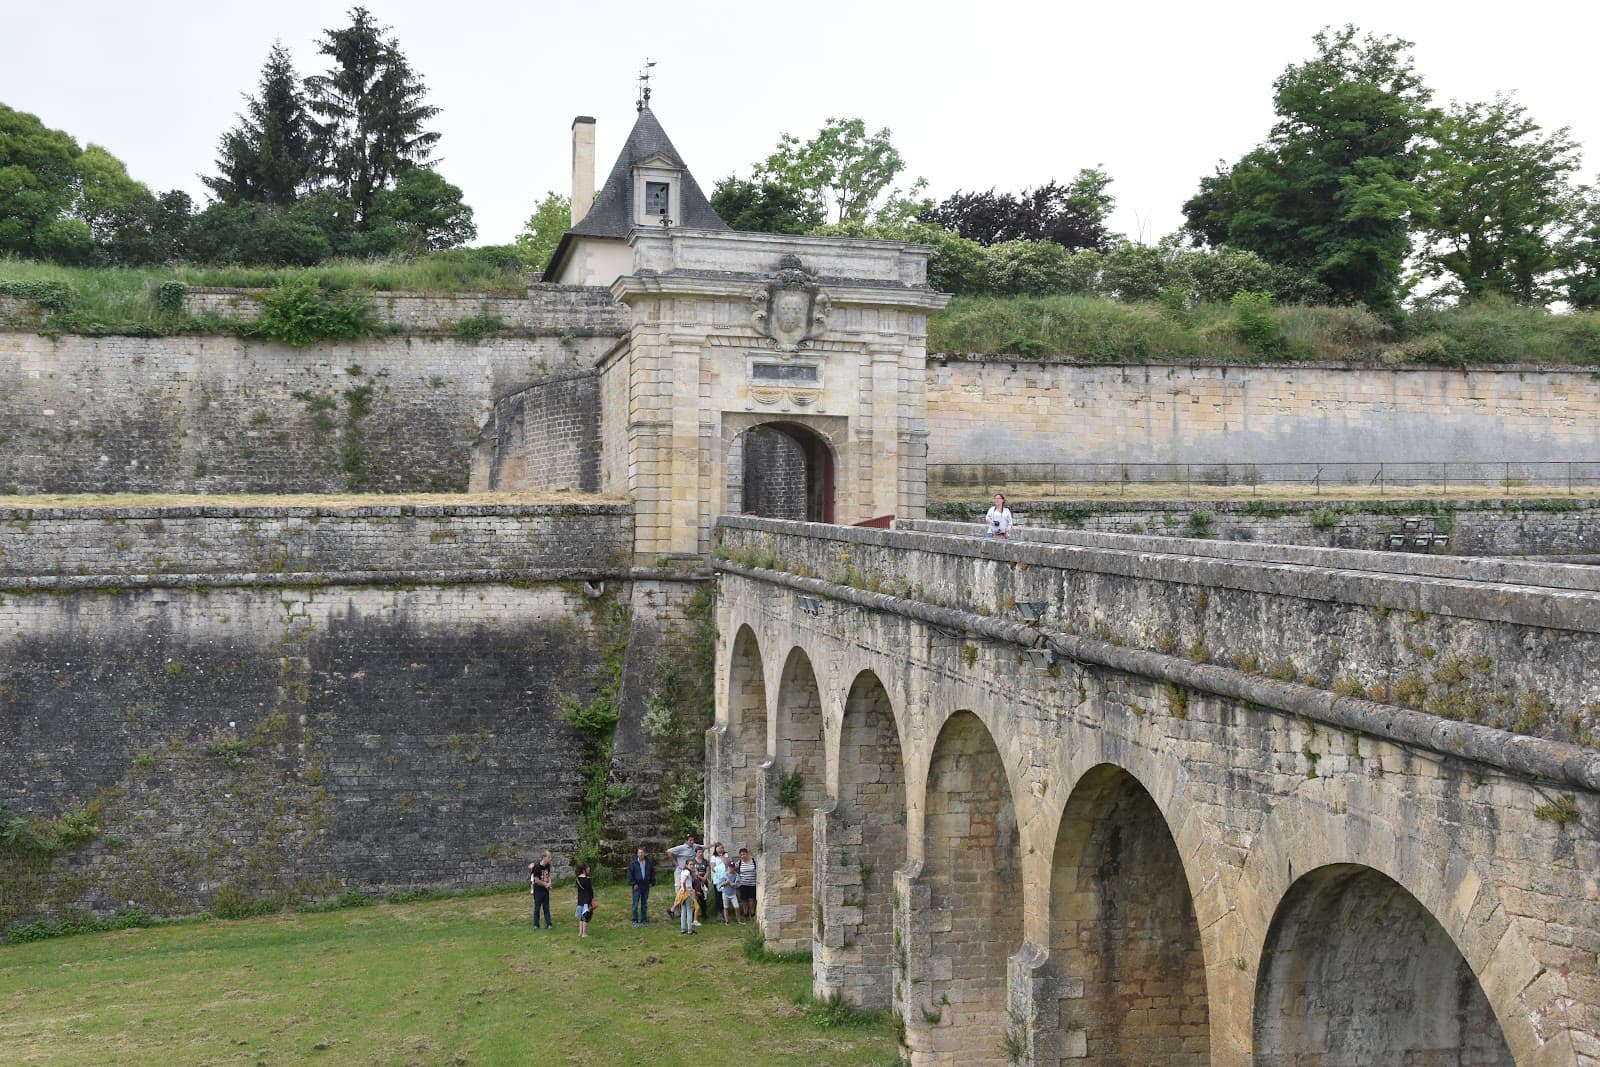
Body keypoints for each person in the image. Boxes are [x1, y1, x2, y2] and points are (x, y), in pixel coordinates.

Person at [666, 833, 697, 919]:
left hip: (687, 873)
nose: (692, 842)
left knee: (683, 893)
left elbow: (704, 846)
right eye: (690, 840)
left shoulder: (694, 846)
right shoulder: (681, 848)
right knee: (679, 892)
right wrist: (676, 863)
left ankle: (674, 910)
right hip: (679, 873)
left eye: (693, 840)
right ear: (686, 841)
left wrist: (714, 844)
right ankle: (676, 911)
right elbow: (669, 851)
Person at [627, 846, 655, 926]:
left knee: (644, 904)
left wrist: (651, 882)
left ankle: (644, 919)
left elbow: (652, 873)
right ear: (637, 854)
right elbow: (629, 874)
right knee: (635, 904)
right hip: (637, 886)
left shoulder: (648, 863)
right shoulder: (633, 863)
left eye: (642, 853)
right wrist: (633, 883)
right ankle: (635, 920)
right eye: (639, 853)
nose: (641, 854)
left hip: (645, 886)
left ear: (645, 853)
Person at [529, 850, 553, 930]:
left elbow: (548, 875)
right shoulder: (537, 867)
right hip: (538, 891)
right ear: (543, 857)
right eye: (548, 857)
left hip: (545, 890)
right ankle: (536, 925)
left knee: (546, 908)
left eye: (550, 857)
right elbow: (537, 880)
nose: (550, 858)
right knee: (537, 908)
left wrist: (549, 883)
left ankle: (549, 924)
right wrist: (546, 884)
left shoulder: (548, 866)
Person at [675, 861, 697, 935]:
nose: (692, 866)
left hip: (682, 892)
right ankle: (690, 929)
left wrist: (683, 889)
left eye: (693, 864)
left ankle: (683, 929)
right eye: (690, 864)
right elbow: (684, 882)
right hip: (687, 891)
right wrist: (685, 889)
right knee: (689, 910)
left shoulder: (683, 871)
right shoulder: (687, 872)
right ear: (687, 865)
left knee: (684, 910)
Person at [736, 847, 757, 920]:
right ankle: (745, 913)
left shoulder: (754, 861)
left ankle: (752, 913)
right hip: (743, 884)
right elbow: (732, 868)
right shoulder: (739, 862)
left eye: (744, 854)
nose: (742, 856)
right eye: (741, 855)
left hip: (752, 884)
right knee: (744, 899)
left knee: (752, 899)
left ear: (747, 854)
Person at [690, 847, 709, 928]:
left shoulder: (705, 861)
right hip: (696, 882)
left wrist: (704, 878)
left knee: (703, 898)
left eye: (702, 852)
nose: (701, 853)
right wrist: (700, 878)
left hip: (704, 881)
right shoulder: (693, 861)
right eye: (699, 852)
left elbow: (708, 870)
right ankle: (693, 915)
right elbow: (695, 872)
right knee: (695, 898)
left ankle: (704, 913)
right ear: (696, 853)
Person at [575, 863, 595, 938]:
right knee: (586, 916)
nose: (589, 869)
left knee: (581, 917)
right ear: (584, 870)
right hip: (587, 899)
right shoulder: (587, 879)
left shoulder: (577, 879)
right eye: (587, 868)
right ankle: (584, 933)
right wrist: (592, 898)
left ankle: (580, 932)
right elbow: (590, 890)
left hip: (580, 899)